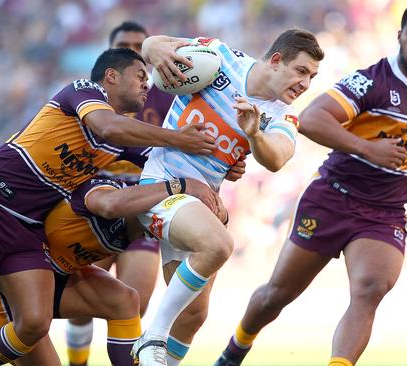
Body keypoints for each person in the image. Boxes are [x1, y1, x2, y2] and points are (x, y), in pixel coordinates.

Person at [0, 47, 215, 366]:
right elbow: (107, 127)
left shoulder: (125, 138)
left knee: (33, 322)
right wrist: (176, 137)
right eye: (140, 76)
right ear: (112, 76)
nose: (147, 85)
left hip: (28, 227)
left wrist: (224, 161)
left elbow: (171, 165)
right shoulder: (83, 91)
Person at [214, 3, 407, 366]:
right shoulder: (370, 81)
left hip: (385, 212)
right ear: (399, 36)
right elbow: (311, 119)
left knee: (370, 289)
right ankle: (235, 350)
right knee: (276, 295)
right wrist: (367, 148)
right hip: (333, 198)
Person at [131, 29, 324, 366]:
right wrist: (153, 49)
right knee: (218, 245)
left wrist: (253, 135)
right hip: (161, 184)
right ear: (277, 60)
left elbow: (277, 157)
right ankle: (152, 336)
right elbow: (154, 44)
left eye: (312, 77)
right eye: (301, 71)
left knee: (193, 316)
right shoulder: (220, 58)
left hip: (201, 205)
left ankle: (157, 350)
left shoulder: (283, 115)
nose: (305, 84)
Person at [0, 175, 225, 366]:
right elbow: (107, 203)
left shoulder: (137, 228)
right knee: (34, 327)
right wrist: (177, 185)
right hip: (9, 281)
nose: (156, 229)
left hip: (52, 278)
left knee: (126, 300)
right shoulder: (105, 193)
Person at [65, 20, 173, 366]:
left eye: (139, 47)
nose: (132, 51)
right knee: (80, 303)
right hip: (94, 205)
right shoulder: (89, 96)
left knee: (133, 306)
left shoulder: (168, 98)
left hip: (140, 205)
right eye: (124, 45)